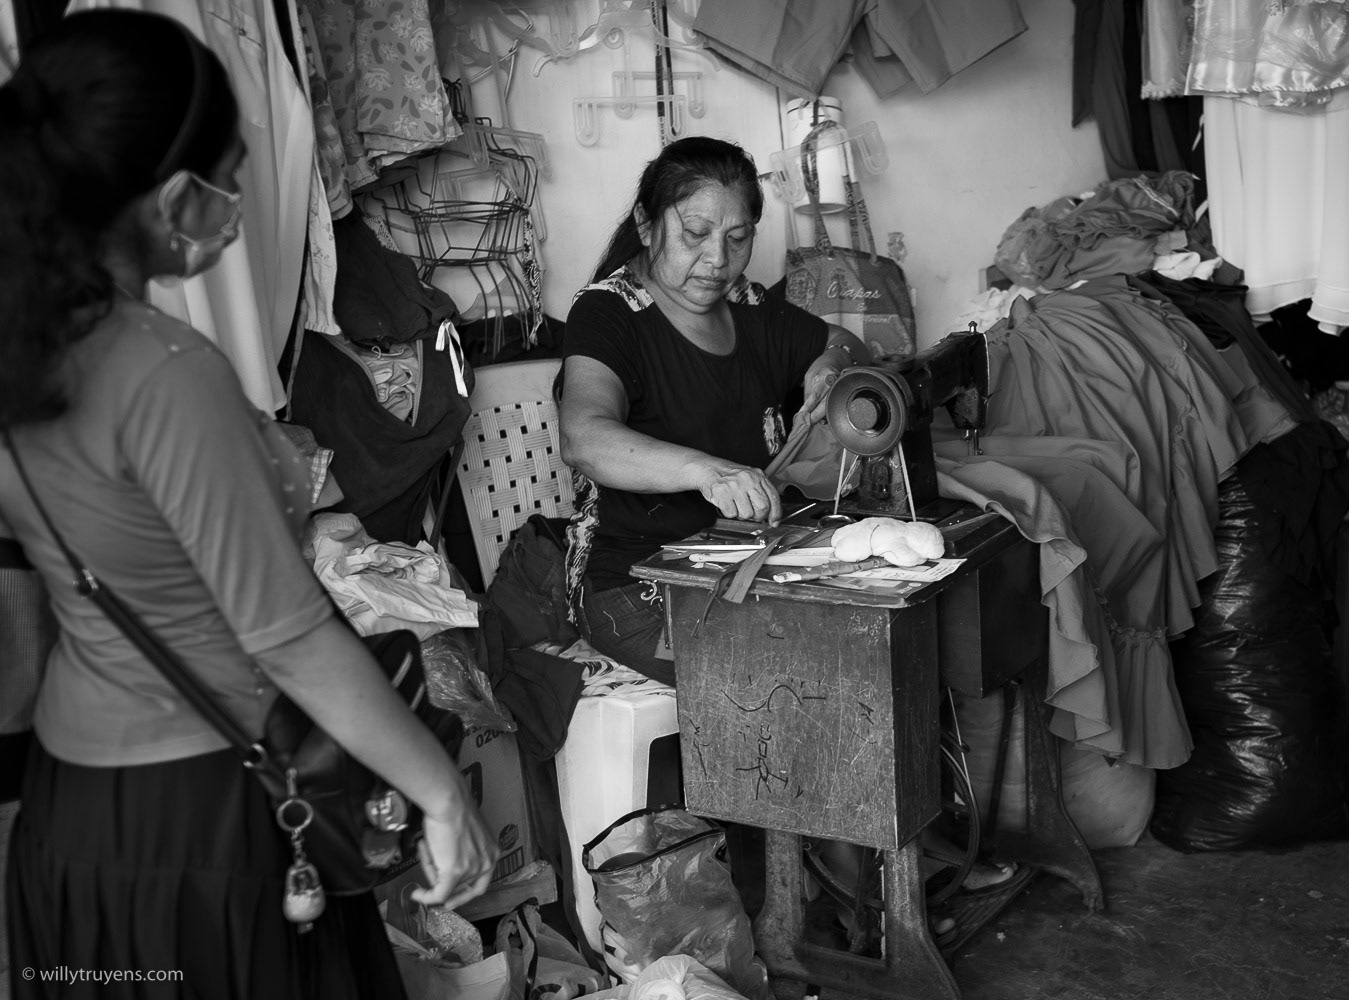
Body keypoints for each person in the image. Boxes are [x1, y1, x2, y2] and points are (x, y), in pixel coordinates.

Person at [0, 13, 497, 998]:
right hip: (206, 809)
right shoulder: (164, 369)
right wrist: (441, 790)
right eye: (230, 176)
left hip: (74, 813)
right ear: (177, 194)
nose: (237, 206)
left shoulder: (27, 352)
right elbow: (284, 633)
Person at [558, 136, 870, 686]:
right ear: (646, 223)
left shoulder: (748, 307)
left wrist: (830, 365)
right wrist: (706, 471)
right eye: (695, 234)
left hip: (744, 560)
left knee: (868, 647)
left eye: (738, 237)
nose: (717, 260)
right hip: (635, 581)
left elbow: (845, 340)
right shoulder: (609, 313)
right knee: (791, 683)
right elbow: (584, 437)